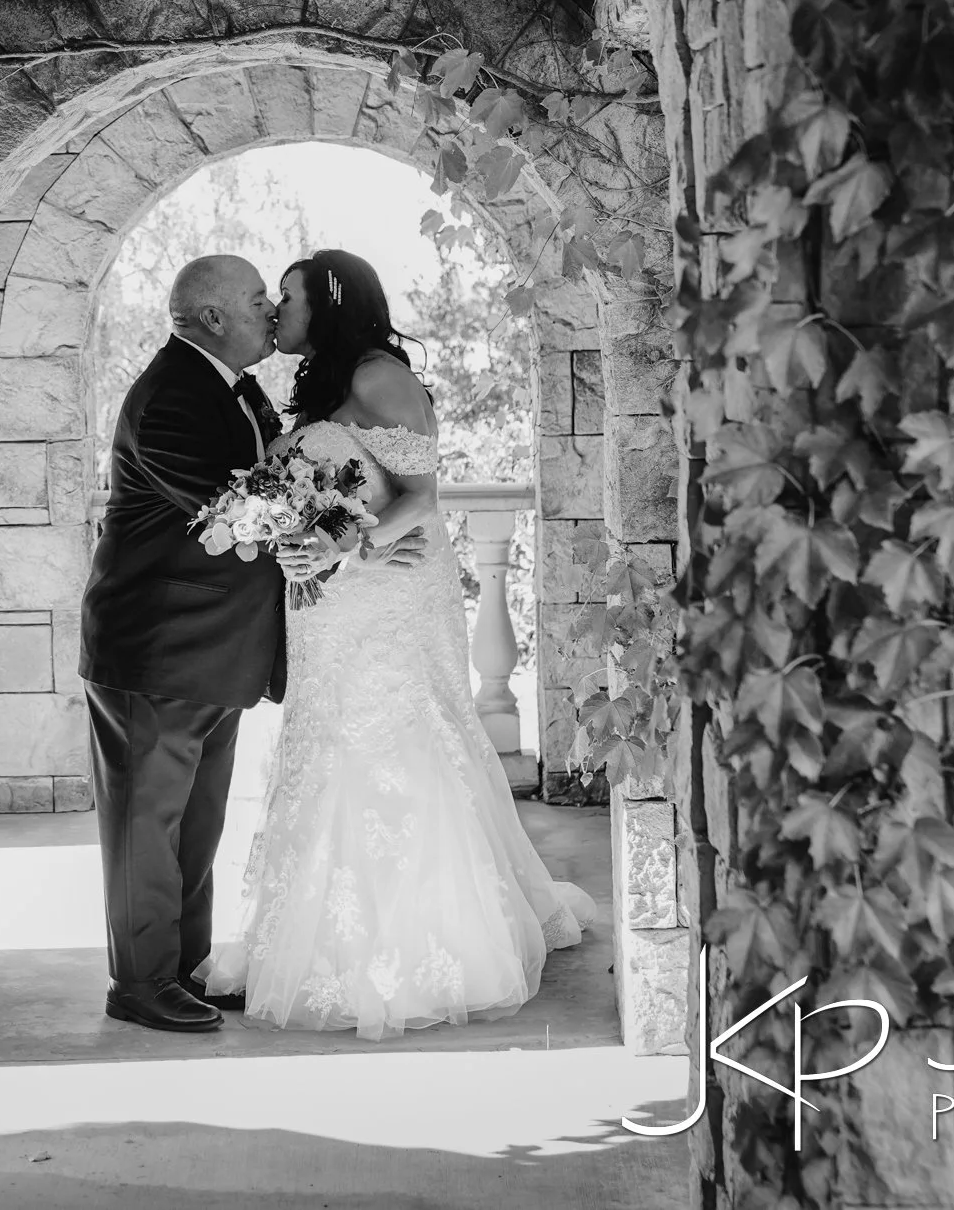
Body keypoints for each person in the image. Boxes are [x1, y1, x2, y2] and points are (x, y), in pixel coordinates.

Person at [194, 249, 600, 1039]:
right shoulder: (316, 386)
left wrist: (347, 544)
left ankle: (425, 944)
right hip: (327, 605)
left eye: (288, 296)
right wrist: (291, 541)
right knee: (326, 744)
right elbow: (321, 492)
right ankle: (310, 939)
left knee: (394, 742)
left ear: (329, 301)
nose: (277, 310)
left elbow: (423, 497)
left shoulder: (381, 376)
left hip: (389, 593)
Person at [78, 254, 425, 1033]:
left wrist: (356, 533)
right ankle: (139, 982)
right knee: (145, 825)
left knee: (193, 826)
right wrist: (350, 531)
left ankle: (182, 968)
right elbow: (234, 506)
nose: (271, 308)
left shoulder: (233, 388)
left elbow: (281, 481)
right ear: (211, 317)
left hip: (214, 652)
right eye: (257, 298)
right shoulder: (170, 396)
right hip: (157, 648)